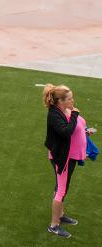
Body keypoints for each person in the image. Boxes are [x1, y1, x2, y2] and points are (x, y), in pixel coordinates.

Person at [44, 84, 89, 238]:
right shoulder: (54, 115)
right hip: (61, 157)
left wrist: (85, 134)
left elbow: (74, 130)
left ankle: (60, 215)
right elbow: (65, 131)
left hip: (70, 155)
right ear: (60, 101)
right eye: (69, 99)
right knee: (61, 190)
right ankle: (54, 225)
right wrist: (75, 115)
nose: (72, 101)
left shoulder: (65, 110)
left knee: (63, 187)